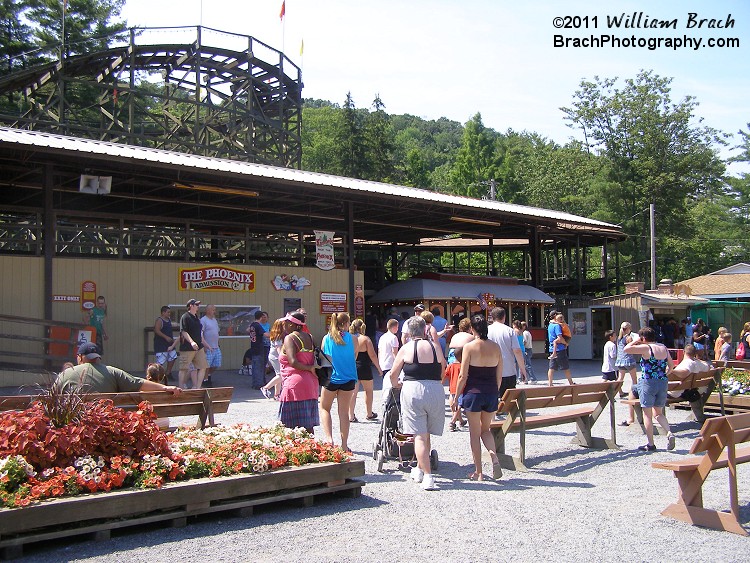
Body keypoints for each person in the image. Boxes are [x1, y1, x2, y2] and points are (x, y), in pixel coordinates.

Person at [390, 315, 446, 491]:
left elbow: (393, 374)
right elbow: (443, 369)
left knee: (419, 435)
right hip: (436, 389)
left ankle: (428, 476)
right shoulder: (435, 347)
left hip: (413, 389)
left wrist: (396, 385)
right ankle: (420, 469)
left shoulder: (406, 348)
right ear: (425, 330)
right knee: (426, 433)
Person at [454, 314, 503, 481]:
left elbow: (463, 376)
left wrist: (456, 397)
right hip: (490, 392)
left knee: (474, 434)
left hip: (473, 393)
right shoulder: (496, 347)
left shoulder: (469, 347)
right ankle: (494, 457)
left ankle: (479, 472)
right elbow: (499, 375)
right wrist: (495, 391)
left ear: (472, 329)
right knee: (486, 430)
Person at [58, 342, 181, 395]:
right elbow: (138, 383)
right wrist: (165, 387)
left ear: (79, 357)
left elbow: (50, 399)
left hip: (75, 428)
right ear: (97, 357)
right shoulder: (112, 371)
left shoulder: (65, 375)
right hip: (106, 425)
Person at [624, 327, 676, 452]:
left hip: (648, 382)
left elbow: (626, 349)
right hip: (662, 382)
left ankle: (650, 444)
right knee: (658, 413)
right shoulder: (663, 347)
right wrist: (664, 375)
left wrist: (635, 340)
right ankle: (669, 432)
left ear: (643, 338)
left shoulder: (646, 348)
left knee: (647, 415)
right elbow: (671, 366)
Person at [320, 312, 358, 452]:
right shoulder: (353, 339)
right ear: (346, 323)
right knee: (343, 413)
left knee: (325, 408)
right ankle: (344, 444)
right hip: (348, 378)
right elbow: (354, 356)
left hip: (332, 378)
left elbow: (323, 356)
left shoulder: (326, 338)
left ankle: (329, 439)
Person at [278, 312, 319, 433]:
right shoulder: (310, 337)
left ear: (293, 324)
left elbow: (293, 362)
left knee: (288, 428)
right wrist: (312, 368)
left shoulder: (289, 338)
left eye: (287, 322)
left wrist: (309, 368)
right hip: (311, 384)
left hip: (294, 384)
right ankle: (311, 450)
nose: (284, 324)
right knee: (308, 426)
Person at [487, 307, 527, 413]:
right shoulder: (509, 330)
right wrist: (523, 369)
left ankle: (495, 414)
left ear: (493, 317)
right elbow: (517, 351)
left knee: (493, 395)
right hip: (508, 369)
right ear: (504, 317)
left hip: (491, 369)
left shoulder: (487, 330)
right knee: (508, 397)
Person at [348, 318, 383, 422]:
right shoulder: (365, 339)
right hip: (364, 366)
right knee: (368, 391)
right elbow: (372, 355)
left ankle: (351, 415)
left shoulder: (348, 338)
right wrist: (379, 368)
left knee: (353, 392)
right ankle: (369, 413)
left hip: (352, 366)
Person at [178, 299, 207, 389]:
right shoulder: (185, 317)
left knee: (203, 367)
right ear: (191, 305)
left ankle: (197, 388)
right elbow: (183, 331)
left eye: (198, 305)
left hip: (199, 347)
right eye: (196, 305)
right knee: (184, 368)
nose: (198, 306)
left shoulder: (196, 318)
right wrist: (191, 342)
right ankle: (181, 388)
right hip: (187, 347)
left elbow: (200, 333)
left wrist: (205, 344)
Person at [261, 318, 287, 400]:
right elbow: (278, 348)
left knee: (278, 375)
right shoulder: (278, 336)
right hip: (275, 357)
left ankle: (276, 395)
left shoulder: (278, 334)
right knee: (281, 375)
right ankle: (265, 388)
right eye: (284, 324)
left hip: (273, 356)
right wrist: (282, 358)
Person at [545, 312, 574, 386]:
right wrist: (565, 343)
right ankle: (571, 382)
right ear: (555, 316)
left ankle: (550, 383)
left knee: (551, 367)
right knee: (566, 367)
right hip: (560, 348)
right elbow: (560, 338)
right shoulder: (557, 326)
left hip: (552, 349)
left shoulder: (550, 325)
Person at [378, 318, 400, 407]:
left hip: (383, 363)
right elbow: (395, 352)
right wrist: (398, 365)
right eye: (397, 327)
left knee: (385, 383)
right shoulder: (394, 338)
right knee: (393, 384)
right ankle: (391, 402)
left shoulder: (382, 337)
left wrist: (379, 364)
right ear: (394, 327)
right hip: (391, 364)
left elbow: (379, 351)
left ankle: (385, 400)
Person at [615, 322, 639, 401]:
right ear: (628, 329)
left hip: (620, 360)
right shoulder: (628, 338)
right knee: (634, 379)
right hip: (629, 360)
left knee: (620, 378)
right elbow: (632, 347)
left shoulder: (619, 338)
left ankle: (616, 391)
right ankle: (634, 394)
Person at [443, 347, 464, 431]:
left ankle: (461, 421)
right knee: (459, 405)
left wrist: (440, 384)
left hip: (452, 388)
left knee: (454, 405)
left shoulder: (451, 366)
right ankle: (453, 421)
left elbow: (445, 376)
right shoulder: (463, 366)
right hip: (462, 388)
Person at [153, 305, 177, 380]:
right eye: (168, 312)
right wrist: (165, 337)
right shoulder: (159, 320)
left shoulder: (169, 320)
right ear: (163, 312)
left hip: (169, 344)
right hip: (161, 344)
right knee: (160, 361)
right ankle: (156, 375)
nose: (169, 314)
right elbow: (157, 330)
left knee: (173, 356)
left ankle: (168, 373)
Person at [246, 310, 269, 389]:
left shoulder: (252, 325)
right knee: (259, 367)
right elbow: (265, 334)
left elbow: (247, 331)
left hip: (253, 346)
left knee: (255, 366)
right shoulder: (258, 325)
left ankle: (254, 383)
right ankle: (258, 384)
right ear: (261, 317)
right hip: (259, 348)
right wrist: (275, 334)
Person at [200, 304, 221, 387]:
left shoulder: (214, 320)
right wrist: (204, 345)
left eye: (215, 310)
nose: (214, 311)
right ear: (208, 310)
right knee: (207, 365)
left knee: (216, 364)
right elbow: (201, 334)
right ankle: (205, 380)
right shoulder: (203, 320)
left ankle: (208, 375)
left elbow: (216, 332)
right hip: (207, 346)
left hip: (216, 346)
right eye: (213, 310)